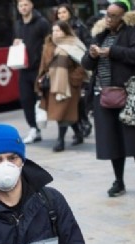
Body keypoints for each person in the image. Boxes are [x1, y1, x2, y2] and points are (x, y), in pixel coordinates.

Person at [81, 2, 135, 198]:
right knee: (112, 141)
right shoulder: (101, 34)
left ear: (124, 16)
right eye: (107, 14)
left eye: (114, 15)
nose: (109, 18)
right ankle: (119, 181)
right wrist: (92, 56)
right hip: (104, 96)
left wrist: (112, 51)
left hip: (130, 95)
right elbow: (85, 63)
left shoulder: (133, 30)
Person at [37, 21, 88, 152]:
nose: (56, 33)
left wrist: (74, 79)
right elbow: (44, 65)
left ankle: (60, 140)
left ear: (66, 31)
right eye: (54, 31)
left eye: (59, 30)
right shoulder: (48, 46)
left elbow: (84, 65)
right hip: (53, 84)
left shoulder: (74, 44)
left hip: (69, 85)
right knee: (66, 112)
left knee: (62, 113)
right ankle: (78, 132)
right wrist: (41, 78)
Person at [13, 0, 51, 144]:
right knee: (26, 100)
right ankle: (34, 129)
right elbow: (17, 42)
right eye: (21, 5)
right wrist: (16, 43)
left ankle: (74, 125)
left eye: (26, 5)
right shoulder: (17, 24)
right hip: (23, 69)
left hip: (38, 69)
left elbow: (48, 44)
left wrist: (46, 67)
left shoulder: (42, 23)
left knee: (43, 99)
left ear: (31, 6)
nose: (23, 8)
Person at [56, 3, 93, 139]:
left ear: (70, 13)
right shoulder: (57, 29)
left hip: (78, 68)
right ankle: (81, 125)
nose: (61, 15)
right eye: (59, 13)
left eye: (64, 12)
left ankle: (84, 123)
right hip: (63, 71)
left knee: (78, 99)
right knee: (71, 101)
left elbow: (86, 46)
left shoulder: (79, 26)